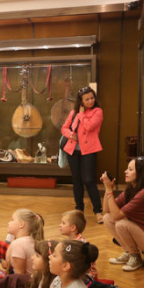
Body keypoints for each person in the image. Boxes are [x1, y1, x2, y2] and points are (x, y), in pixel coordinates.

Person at [61, 86, 104, 224]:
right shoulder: (74, 112)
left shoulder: (98, 112)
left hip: (89, 150)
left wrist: (81, 115)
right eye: (87, 99)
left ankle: (98, 211)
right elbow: (64, 128)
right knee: (77, 181)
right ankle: (79, 210)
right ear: (81, 101)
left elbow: (89, 126)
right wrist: (70, 135)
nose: (90, 101)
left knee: (88, 180)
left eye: (92, 98)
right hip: (73, 150)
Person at [60, 210, 122, 288]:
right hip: (76, 271)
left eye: (63, 223)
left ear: (73, 227)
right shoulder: (70, 242)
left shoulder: (80, 244)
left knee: (83, 283)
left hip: (86, 274)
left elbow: (82, 265)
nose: (60, 225)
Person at [0, 209, 44, 276]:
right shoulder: (29, 239)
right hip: (27, 278)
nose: (8, 223)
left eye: (12, 220)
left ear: (21, 224)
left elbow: (19, 276)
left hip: (26, 281)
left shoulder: (18, 244)